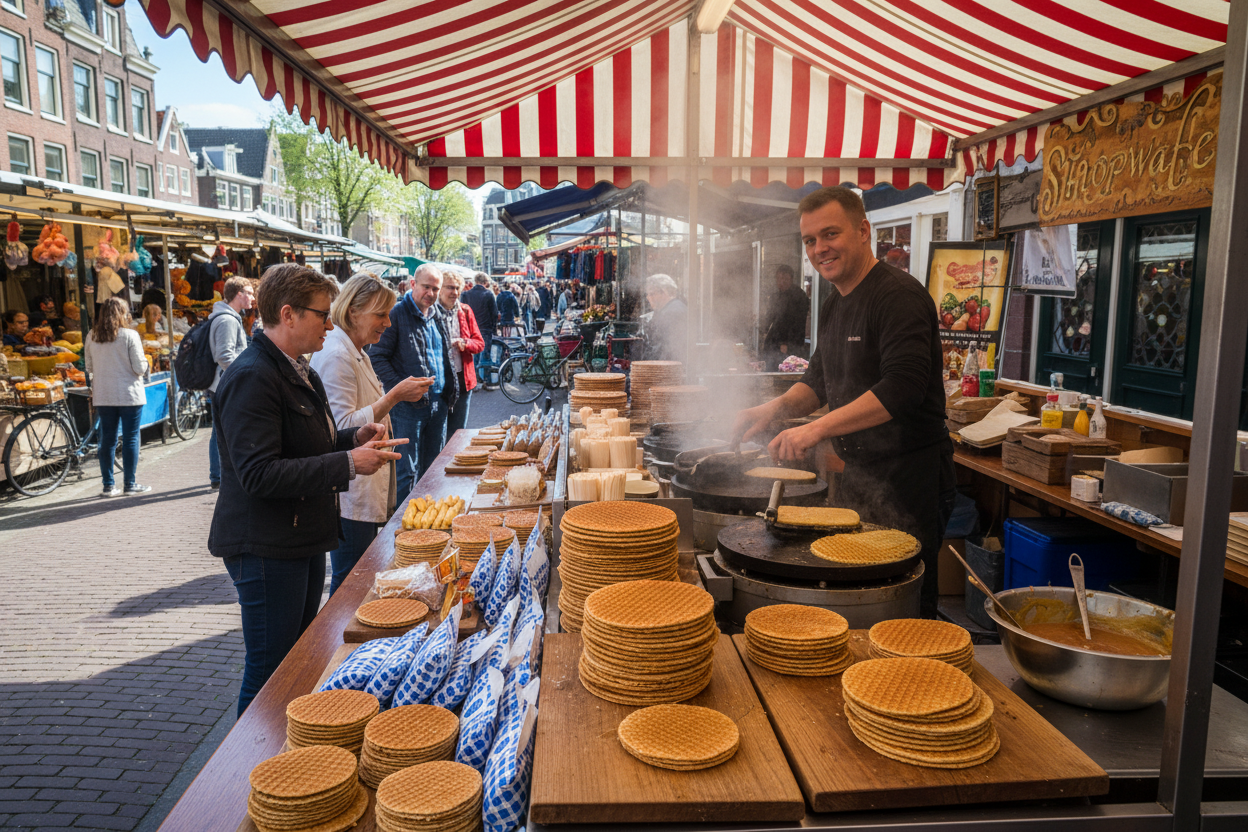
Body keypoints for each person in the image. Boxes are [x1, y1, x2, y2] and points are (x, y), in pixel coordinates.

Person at [732, 186, 955, 617]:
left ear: (863, 231)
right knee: (857, 595)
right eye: (810, 241)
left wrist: (816, 428)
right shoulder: (834, 303)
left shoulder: (897, 296)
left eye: (830, 235)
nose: (820, 249)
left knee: (900, 602)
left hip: (910, 477)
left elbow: (902, 388)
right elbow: (817, 383)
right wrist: (768, 411)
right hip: (859, 474)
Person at [210, 263, 403, 716]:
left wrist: (350, 439)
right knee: (269, 669)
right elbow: (259, 473)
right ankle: (247, 776)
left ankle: (286, 754)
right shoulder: (253, 376)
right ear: (289, 314)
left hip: (299, 537)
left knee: (295, 661)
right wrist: (347, 462)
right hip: (266, 545)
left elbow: (308, 443)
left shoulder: (297, 368)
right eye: (322, 314)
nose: (330, 323)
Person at [311, 273, 433, 596]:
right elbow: (340, 427)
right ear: (354, 311)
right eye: (380, 315)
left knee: (356, 576)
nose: (387, 323)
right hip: (350, 493)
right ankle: (338, 644)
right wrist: (393, 397)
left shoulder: (356, 349)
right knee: (350, 581)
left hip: (360, 488)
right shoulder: (338, 355)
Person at [372, 264, 459, 499]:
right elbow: (377, 356)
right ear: (413, 285)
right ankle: (403, 526)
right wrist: (401, 390)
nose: (430, 293)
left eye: (435, 288)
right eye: (426, 287)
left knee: (434, 466)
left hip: (438, 402)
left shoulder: (437, 314)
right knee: (407, 471)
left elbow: (444, 355)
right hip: (407, 408)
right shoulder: (397, 314)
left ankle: (429, 524)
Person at [84, 298, 151, 497]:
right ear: (123, 314)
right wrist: (146, 362)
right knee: (131, 437)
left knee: (107, 439)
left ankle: (108, 485)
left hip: (104, 394)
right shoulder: (130, 335)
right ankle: (130, 484)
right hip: (129, 394)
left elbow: (88, 367)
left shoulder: (92, 336)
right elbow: (139, 367)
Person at [207, 277, 255, 490]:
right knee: (221, 432)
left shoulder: (230, 317)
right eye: (250, 293)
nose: (253, 297)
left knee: (221, 431)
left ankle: (219, 475)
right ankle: (218, 476)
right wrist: (242, 374)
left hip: (224, 383)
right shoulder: (227, 320)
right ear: (239, 294)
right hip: (225, 384)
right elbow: (224, 355)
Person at [433, 271, 485, 439]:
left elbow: (479, 343)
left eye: (457, 288)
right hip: (439, 383)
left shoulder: (465, 311)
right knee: (437, 435)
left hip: (463, 380)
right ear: (439, 289)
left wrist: (465, 343)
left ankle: (455, 463)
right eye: (449, 288)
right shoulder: (430, 313)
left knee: (458, 433)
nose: (454, 292)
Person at [761, 265, 811, 369]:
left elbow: (799, 323)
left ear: (791, 279)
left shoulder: (799, 296)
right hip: (774, 343)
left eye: (785, 278)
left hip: (790, 345)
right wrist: (763, 331)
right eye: (779, 278)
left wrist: (788, 344)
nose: (781, 282)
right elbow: (769, 317)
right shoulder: (775, 296)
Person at [643, 274, 688, 362]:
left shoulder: (672, 313)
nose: (648, 298)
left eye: (652, 294)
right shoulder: (672, 308)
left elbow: (664, 348)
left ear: (664, 292)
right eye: (647, 294)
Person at [462, 272, 498, 382]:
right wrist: (494, 328)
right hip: (485, 328)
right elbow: (494, 314)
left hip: (471, 329)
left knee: (474, 355)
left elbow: (462, 312)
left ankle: (475, 378)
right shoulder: (489, 294)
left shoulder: (465, 295)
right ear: (485, 282)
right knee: (486, 355)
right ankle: (487, 380)